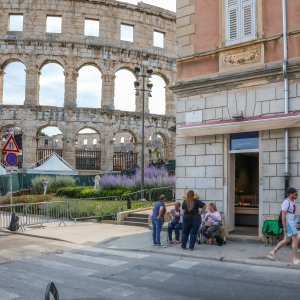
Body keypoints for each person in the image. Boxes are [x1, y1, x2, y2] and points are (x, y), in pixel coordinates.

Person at [267, 187, 299, 265]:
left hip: (291, 223)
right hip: (289, 223)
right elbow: (283, 216)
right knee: (295, 240)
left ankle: (272, 252)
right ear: (291, 194)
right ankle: (295, 258)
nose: (297, 195)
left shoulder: (292, 202)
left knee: (287, 240)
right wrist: (285, 227)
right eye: (295, 193)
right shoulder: (286, 202)